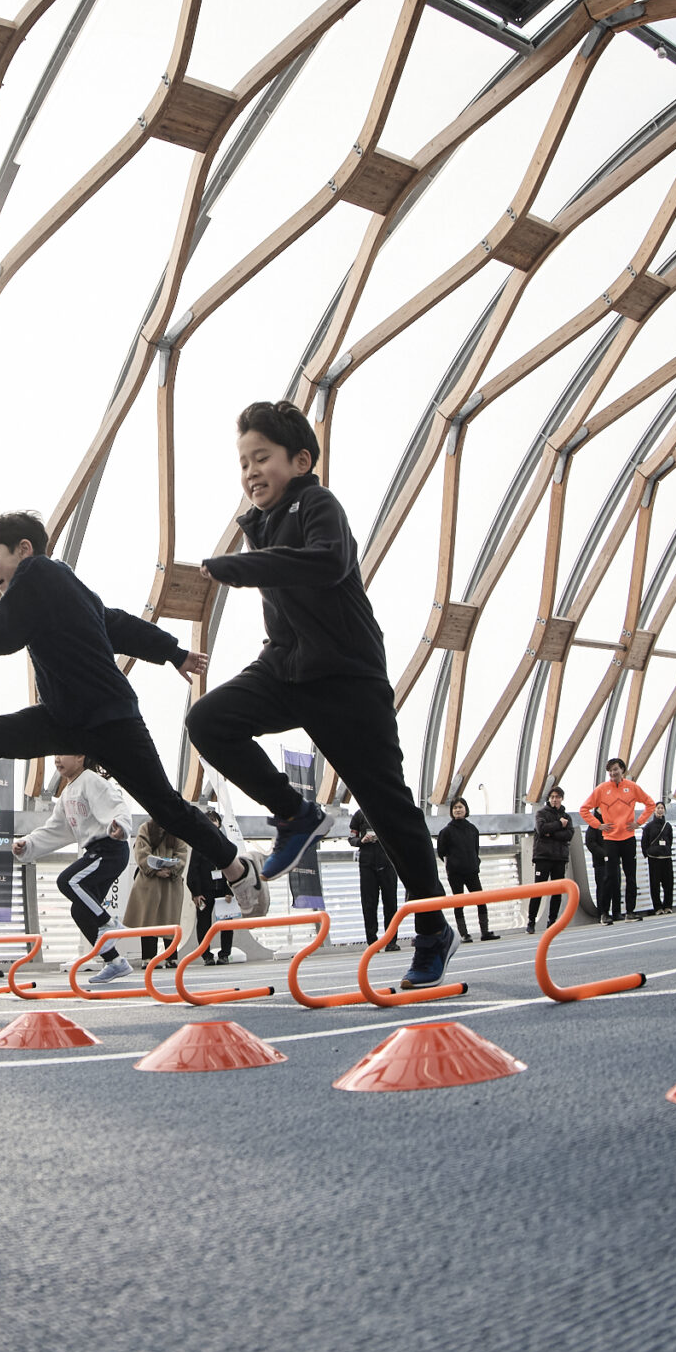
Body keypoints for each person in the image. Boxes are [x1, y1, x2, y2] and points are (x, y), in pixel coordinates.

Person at [167, 402, 467, 983]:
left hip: (347, 676)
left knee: (387, 807)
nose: (251, 472)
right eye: (243, 463)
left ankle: (433, 929)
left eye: (263, 459)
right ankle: (295, 812)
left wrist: (236, 567)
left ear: (299, 460)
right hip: (284, 667)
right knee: (209, 721)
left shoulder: (317, 504)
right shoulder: (260, 523)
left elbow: (326, 564)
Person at [0, 513, 267, 933]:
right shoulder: (68, 589)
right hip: (64, 718)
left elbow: (2, 637)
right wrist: (172, 652)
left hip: (108, 717)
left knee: (166, 807)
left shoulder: (38, 573)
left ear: (23, 550)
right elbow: (115, 623)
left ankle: (238, 868)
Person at [11, 754, 133, 986]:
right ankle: (115, 962)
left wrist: (122, 826)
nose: (56, 760)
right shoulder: (67, 793)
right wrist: (28, 844)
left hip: (110, 849)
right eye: (54, 755)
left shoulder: (90, 780)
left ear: (80, 757)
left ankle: (107, 923)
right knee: (80, 911)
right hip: (96, 851)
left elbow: (117, 805)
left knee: (68, 881)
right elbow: (55, 830)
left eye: (62, 754)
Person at [581, 757, 651, 923]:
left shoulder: (632, 787)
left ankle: (630, 912)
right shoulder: (602, 789)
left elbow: (650, 804)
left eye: (616, 769)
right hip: (610, 839)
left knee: (630, 876)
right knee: (610, 877)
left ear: (622, 770)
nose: (613, 773)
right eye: (610, 770)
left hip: (628, 838)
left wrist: (639, 822)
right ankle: (605, 913)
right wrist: (598, 825)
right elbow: (584, 809)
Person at [124, 817, 189, 967]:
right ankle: (148, 958)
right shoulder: (145, 828)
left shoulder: (177, 831)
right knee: (148, 919)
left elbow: (182, 853)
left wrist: (171, 869)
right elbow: (141, 852)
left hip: (170, 882)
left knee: (170, 919)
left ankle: (171, 957)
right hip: (150, 882)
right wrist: (155, 870)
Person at [436, 797, 488, 941]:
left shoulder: (472, 829)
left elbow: (475, 849)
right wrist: (452, 864)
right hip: (455, 874)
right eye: (455, 808)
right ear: (452, 811)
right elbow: (441, 852)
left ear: (466, 809)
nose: (458, 810)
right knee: (459, 903)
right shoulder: (446, 831)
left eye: (460, 807)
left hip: (472, 871)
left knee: (481, 900)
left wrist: (475, 863)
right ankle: (464, 934)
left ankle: (485, 931)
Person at [350, 807, 399, 944]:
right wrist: (362, 841)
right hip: (367, 865)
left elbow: (399, 834)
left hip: (388, 863)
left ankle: (391, 941)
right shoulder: (359, 815)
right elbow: (352, 839)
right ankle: (372, 941)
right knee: (369, 904)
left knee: (390, 903)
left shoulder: (389, 812)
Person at [528, 784, 573, 932]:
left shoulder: (567, 816)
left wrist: (552, 832)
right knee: (538, 890)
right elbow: (541, 830)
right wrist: (559, 825)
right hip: (543, 857)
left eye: (557, 797)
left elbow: (569, 835)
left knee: (557, 891)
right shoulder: (541, 813)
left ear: (562, 799)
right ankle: (531, 921)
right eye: (552, 797)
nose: (555, 800)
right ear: (549, 798)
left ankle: (552, 921)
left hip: (560, 857)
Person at [640, 800, 675, 914]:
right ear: (654, 810)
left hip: (666, 857)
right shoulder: (649, 826)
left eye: (662, 808)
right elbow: (644, 842)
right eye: (658, 808)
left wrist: (667, 849)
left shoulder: (668, 826)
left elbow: (670, 840)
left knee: (668, 883)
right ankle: (658, 907)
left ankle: (668, 906)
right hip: (654, 858)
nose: (660, 810)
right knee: (655, 884)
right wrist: (647, 853)